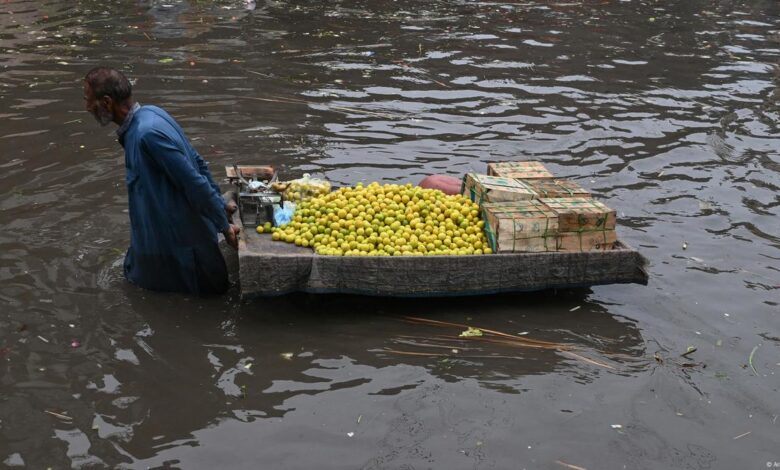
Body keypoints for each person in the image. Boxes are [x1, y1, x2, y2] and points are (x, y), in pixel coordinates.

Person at [83, 67, 240, 295]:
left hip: (182, 249)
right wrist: (220, 204)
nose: (87, 108)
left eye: (89, 101)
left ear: (107, 102)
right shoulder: (153, 114)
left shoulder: (147, 135)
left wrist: (224, 225)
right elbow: (198, 161)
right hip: (160, 238)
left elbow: (193, 181)